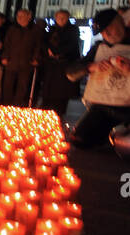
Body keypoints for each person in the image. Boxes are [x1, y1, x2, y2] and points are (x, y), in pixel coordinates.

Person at [65, 8, 130, 149]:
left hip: (127, 109)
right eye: (102, 32)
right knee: (79, 138)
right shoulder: (99, 48)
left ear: (119, 21)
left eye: (109, 28)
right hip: (102, 107)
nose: (106, 34)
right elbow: (71, 73)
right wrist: (90, 67)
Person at [42, 10, 82, 119]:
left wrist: (57, 52)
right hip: (52, 67)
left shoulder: (73, 30)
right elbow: (44, 43)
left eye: (64, 17)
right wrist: (48, 50)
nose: (61, 19)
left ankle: (58, 116)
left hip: (64, 65)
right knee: (48, 95)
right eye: (59, 17)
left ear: (68, 18)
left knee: (61, 96)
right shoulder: (51, 29)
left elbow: (71, 46)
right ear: (55, 17)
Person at [0, 8, 45, 106]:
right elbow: (7, 44)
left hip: (26, 62)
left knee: (22, 86)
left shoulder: (35, 30)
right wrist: (4, 57)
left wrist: (36, 58)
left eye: (22, 16)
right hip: (11, 61)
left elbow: (38, 46)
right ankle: (6, 105)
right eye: (18, 16)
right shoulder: (12, 29)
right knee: (7, 85)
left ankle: (17, 105)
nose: (19, 18)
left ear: (29, 17)